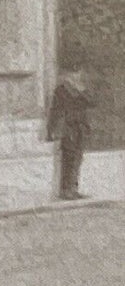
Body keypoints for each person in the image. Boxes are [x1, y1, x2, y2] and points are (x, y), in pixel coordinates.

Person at [46, 64, 91, 201]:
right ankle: (65, 190)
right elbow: (55, 110)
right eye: (74, 73)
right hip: (68, 128)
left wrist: (82, 91)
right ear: (67, 75)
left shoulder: (82, 89)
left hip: (80, 127)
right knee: (68, 159)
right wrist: (50, 130)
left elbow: (92, 102)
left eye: (78, 73)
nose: (77, 76)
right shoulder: (61, 90)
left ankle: (74, 188)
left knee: (77, 159)